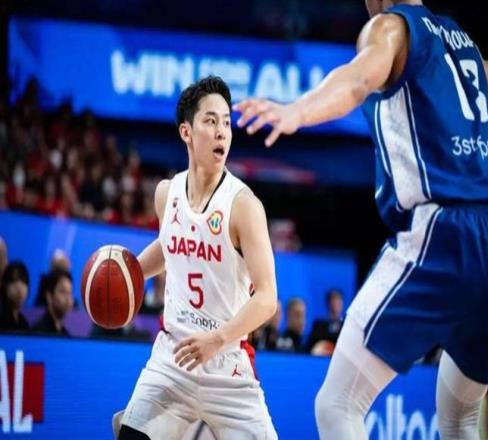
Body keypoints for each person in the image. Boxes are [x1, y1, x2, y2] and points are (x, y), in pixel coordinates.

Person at [234, 1, 488, 438]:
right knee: (461, 416)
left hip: (443, 233)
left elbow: (356, 80)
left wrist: (296, 111)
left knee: (337, 405)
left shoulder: (391, 27)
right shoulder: (461, 42)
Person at [113, 76, 278, 440]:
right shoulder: (166, 193)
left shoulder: (244, 206)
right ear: (186, 132)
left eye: (227, 123)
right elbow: (171, 245)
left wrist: (216, 339)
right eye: (211, 121)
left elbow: (267, 298)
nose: (222, 132)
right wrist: (130, 273)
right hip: (173, 359)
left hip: (227, 367)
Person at [32, 269, 74, 335]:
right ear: (49, 296)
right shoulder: (38, 333)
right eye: (63, 292)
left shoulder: (66, 335)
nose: (68, 298)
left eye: (70, 293)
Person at [307, 289, 344, 354]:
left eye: (338, 300)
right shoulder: (319, 325)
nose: (336, 303)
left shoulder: (345, 325)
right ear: (328, 303)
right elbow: (312, 345)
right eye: (333, 300)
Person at [0, 261, 30, 331]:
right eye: (14, 281)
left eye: (24, 281)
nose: (19, 288)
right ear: (5, 287)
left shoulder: (23, 322)